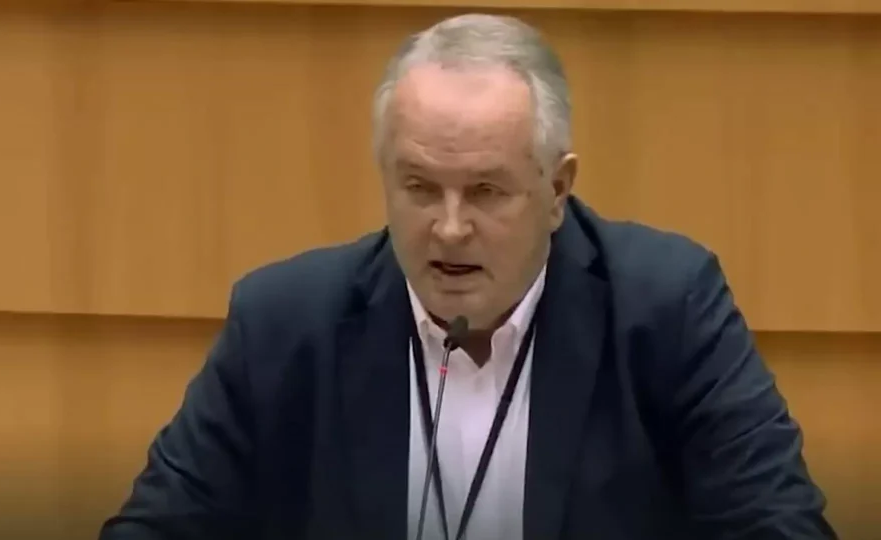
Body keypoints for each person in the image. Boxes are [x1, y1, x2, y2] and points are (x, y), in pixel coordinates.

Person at [99, 13, 836, 540]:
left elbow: (778, 523)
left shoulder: (667, 308)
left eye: (485, 191)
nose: (449, 228)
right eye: (420, 188)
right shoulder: (285, 325)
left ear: (557, 189)